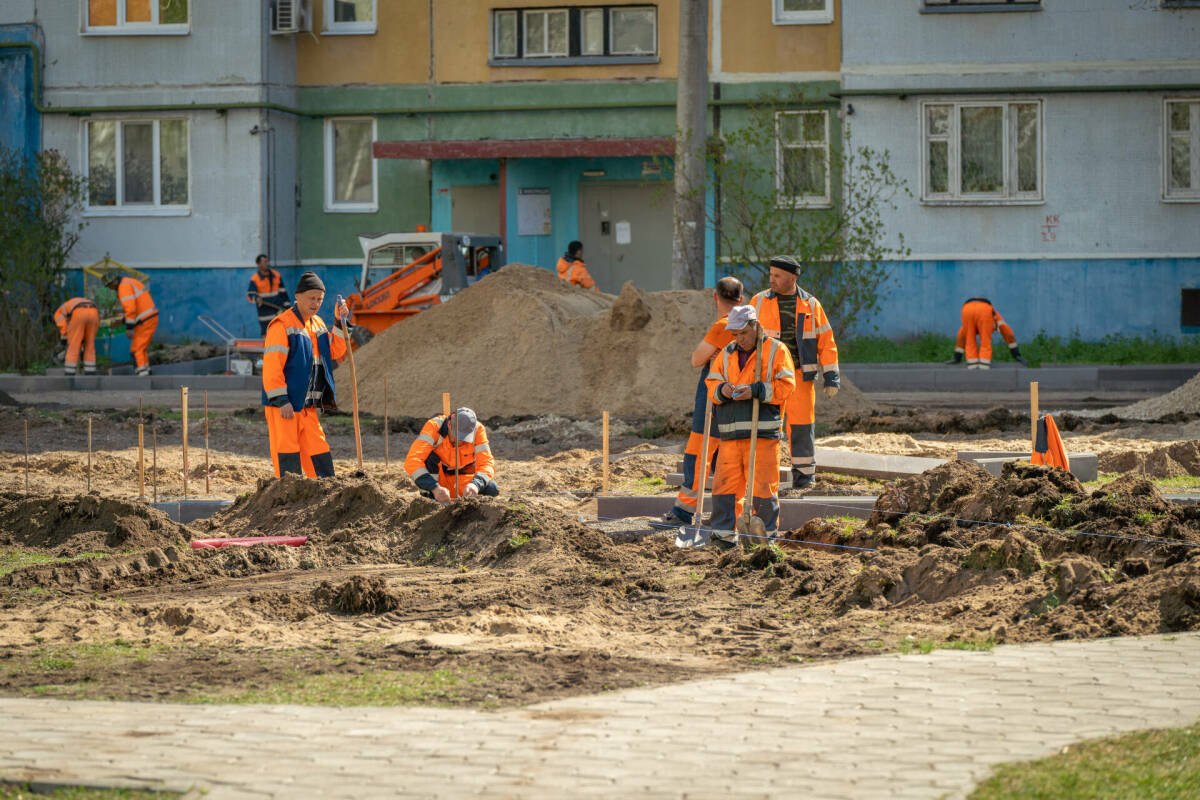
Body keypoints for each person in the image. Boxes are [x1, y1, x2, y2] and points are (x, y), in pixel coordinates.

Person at [705, 305, 795, 549]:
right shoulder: (726, 353)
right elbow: (711, 384)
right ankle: (723, 537)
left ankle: (765, 541)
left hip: (762, 434)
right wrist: (721, 390)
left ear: (755, 326)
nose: (740, 339)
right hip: (731, 435)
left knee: (764, 488)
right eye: (735, 335)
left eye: (744, 333)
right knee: (725, 486)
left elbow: (787, 385)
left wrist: (756, 390)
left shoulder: (776, 350)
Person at [750, 256, 840, 490]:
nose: (772, 280)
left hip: (800, 377)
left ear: (792, 277)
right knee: (768, 426)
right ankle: (764, 474)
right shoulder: (758, 302)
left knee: (802, 426)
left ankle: (804, 476)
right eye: (770, 275)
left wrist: (832, 377)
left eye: (777, 276)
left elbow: (826, 342)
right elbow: (746, 339)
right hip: (769, 377)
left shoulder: (811, 304)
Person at [661, 276, 745, 526]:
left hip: (713, 399)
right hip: (738, 398)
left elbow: (697, 358)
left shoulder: (723, 326)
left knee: (698, 454)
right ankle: (727, 515)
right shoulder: (749, 327)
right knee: (728, 458)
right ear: (741, 299)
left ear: (715, 297)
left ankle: (684, 511)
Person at [261, 271, 350, 478]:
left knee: (318, 450)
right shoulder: (281, 325)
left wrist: (339, 322)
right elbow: (272, 367)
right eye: (312, 298)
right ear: (298, 296)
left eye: (320, 299)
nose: (316, 303)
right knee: (287, 453)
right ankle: (289, 498)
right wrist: (281, 400)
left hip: (308, 406)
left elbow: (335, 351)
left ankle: (325, 491)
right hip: (285, 406)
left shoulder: (317, 323)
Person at [404, 407, 499, 502]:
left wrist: (475, 485)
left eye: (464, 437)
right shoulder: (434, 426)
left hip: (464, 482)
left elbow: (487, 463)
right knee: (429, 457)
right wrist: (434, 488)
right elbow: (413, 461)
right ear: (449, 424)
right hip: (437, 481)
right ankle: (432, 497)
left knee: (492, 489)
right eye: (457, 435)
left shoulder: (478, 430)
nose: (459, 441)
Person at [104, 270, 158, 377]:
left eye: (109, 285)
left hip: (145, 320)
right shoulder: (129, 282)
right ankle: (146, 370)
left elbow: (131, 309)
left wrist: (129, 328)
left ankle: (142, 374)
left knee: (136, 349)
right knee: (141, 348)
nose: (109, 288)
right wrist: (124, 321)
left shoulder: (123, 287)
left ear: (114, 282)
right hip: (148, 318)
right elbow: (136, 308)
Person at [947, 298, 1028, 368]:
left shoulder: (969, 325)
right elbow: (1008, 333)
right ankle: (984, 368)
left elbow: (961, 336)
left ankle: (972, 368)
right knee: (985, 340)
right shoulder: (995, 317)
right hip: (984, 310)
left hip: (966, 309)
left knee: (969, 339)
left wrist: (957, 357)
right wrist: (1016, 354)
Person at [53, 297, 100, 376]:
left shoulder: (59, 312)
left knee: (73, 346)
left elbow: (63, 326)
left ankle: (69, 374)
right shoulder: (72, 304)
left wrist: (63, 339)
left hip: (79, 313)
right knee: (89, 345)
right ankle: (90, 374)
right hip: (95, 313)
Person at [247, 254, 291, 336]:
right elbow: (250, 294)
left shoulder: (276, 275)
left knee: (281, 333)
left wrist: (287, 307)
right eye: (265, 262)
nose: (267, 264)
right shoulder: (255, 279)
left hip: (278, 310)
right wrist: (256, 298)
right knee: (267, 335)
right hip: (265, 313)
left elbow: (283, 293)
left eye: (267, 261)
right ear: (258, 264)